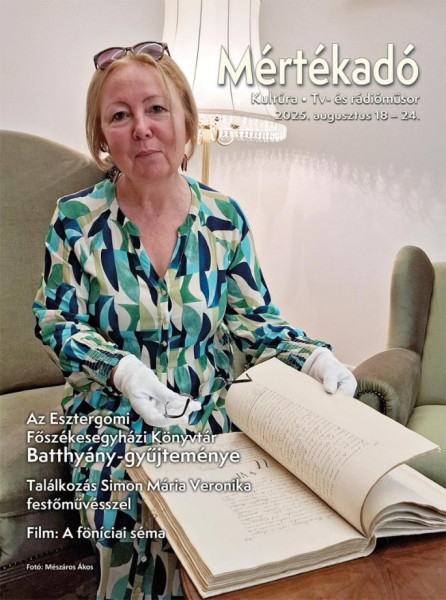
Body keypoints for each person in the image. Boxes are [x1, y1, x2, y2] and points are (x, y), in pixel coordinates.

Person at [33, 41, 356, 600]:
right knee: (128, 504)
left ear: (186, 121)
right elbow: (54, 320)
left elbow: (254, 321)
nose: (142, 128)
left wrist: (312, 357)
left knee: (254, 509)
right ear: (102, 137)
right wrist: (121, 370)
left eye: (156, 108)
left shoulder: (224, 218)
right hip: (111, 413)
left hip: (207, 406)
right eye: (119, 115)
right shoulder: (75, 220)